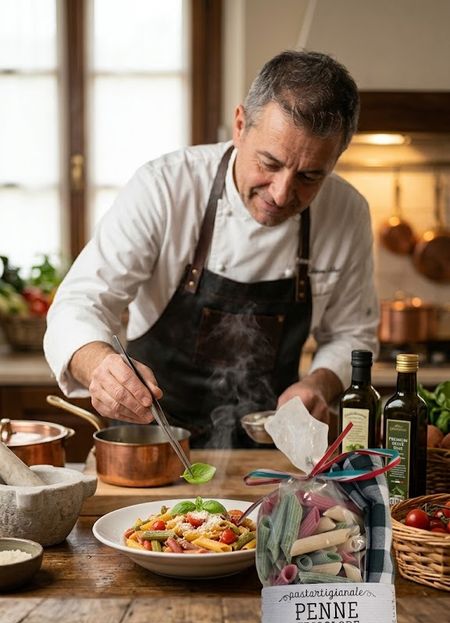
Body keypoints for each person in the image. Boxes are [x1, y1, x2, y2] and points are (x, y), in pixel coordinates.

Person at [44, 50, 379, 448]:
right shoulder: (164, 188)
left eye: (309, 176)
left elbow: (352, 333)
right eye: (269, 163)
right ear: (240, 126)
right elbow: (78, 303)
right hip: (154, 443)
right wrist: (100, 366)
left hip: (271, 448)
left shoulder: (347, 212)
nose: (282, 192)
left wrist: (319, 384)